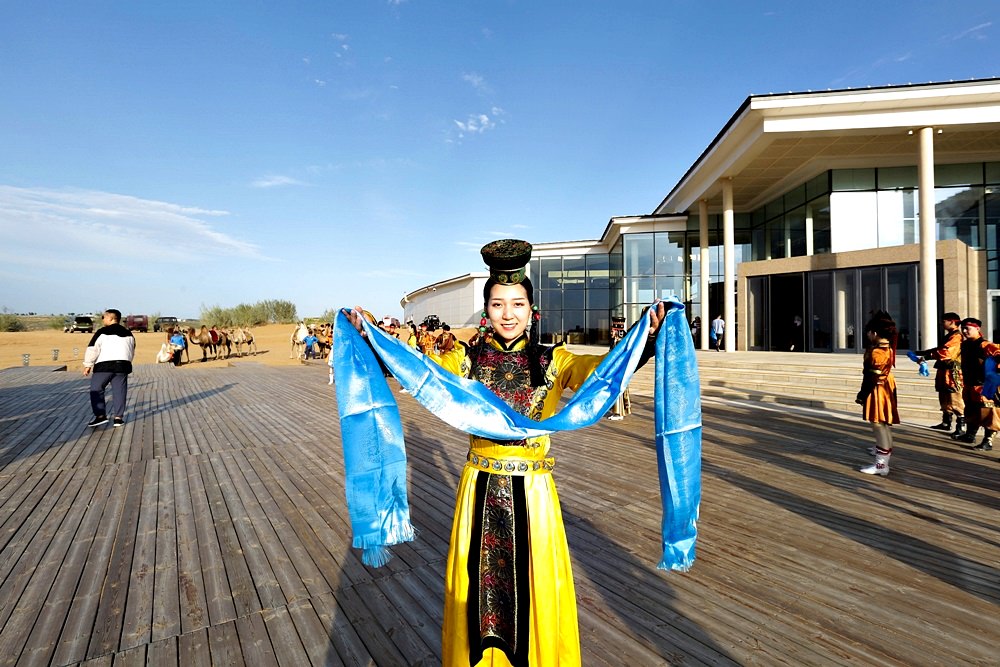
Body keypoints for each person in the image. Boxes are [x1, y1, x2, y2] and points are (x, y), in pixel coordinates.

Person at [344, 239, 669, 666]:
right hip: (480, 487)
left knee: (536, 589)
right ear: (487, 311)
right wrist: (370, 334)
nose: (508, 314)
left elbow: (602, 375)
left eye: (517, 304)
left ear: (532, 311)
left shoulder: (555, 360)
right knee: (477, 595)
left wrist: (645, 338)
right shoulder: (463, 359)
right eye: (498, 304)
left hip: (534, 494)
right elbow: (415, 367)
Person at [856, 311, 900, 476]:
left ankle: (881, 465)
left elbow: (871, 377)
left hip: (878, 389)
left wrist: (862, 394)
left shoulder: (877, 352)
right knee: (883, 424)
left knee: (878, 424)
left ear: (874, 333)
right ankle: (884, 456)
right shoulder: (885, 347)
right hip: (883, 386)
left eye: (869, 332)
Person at [913, 312, 965, 435]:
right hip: (944, 370)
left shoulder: (956, 337)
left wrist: (928, 356)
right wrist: (922, 352)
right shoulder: (950, 335)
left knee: (955, 398)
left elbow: (946, 352)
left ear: (952, 322)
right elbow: (939, 349)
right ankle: (946, 422)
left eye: (944, 321)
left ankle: (961, 427)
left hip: (953, 372)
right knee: (944, 396)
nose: (942, 324)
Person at [952, 318, 1000, 451]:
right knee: (971, 410)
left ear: (977, 329)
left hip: (984, 386)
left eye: (968, 328)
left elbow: (997, 351)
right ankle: (970, 434)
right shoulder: (965, 344)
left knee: (988, 413)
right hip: (969, 384)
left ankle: (988, 441)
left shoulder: (984, 344)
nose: (965, 331)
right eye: (963, 328)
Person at [83, 309, 136, 428]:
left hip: (104, 365)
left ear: (111, 318)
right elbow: (132, 350)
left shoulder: (102, 332)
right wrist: (127, 362)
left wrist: (88, 365)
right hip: (122, 365)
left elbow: (93, 348)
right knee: (120, 391)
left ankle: (100, 416)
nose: (102, 319)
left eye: (104, 317)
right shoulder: (128, 333)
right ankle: (118, 418)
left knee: (96, 389)